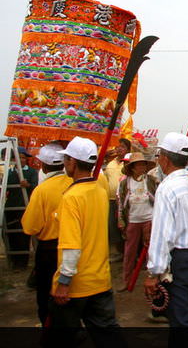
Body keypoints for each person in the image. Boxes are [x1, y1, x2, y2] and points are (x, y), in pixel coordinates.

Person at [48, 137, 122, 346]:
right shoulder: (99, 190)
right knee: (108, 335)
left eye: (66, 160)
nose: (64, 164)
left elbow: (72, 246)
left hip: (76, 285)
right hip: (100, 279)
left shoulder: (71, 197)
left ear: (72, 162)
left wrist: (64, 282)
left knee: (60, 338)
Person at [144, 133, 188, 328]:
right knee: (181, 315)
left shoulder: (167, 189)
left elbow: (161, 235)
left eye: (159, 157)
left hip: (179, 259)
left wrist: (153, 272)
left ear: (165, 159)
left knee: (182, 319)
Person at [21, 143, 72, 325]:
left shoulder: (41, 190)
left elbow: (30, 227)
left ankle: (51, 331)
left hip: (49, 250)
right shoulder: (74, 184)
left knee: (46, 295)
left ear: (43, 165)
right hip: (73, 248)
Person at [116, 152, 157, 292]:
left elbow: (157, 197)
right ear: (132, 167)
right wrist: (121, 220)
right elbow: (121, 203)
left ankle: (152, 279)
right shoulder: (124, 183)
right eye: (139, 164)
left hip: (149, 219)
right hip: (132, 220)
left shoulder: (151, 181)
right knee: (129, 252)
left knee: (151, 252)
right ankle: (126, 281)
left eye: (143, 164)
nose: (142, 167)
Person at [4, 146, 38, 269]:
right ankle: (14, 261)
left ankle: (23, 262)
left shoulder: (32, 172)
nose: (22, 160)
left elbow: (36, 188)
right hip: (11, 207)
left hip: (26, 207)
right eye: (19, 157)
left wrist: (27, 185)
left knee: (24, 235)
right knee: (12, 235)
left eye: (24, 157)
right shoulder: (9, 172)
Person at [103, 138, 131, 262]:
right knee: (111, 225)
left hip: (124, 201)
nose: (119, 149)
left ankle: (126, 252)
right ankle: (116, 251)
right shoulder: (111, 163)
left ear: (128, 149)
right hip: (110, 199)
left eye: (123, 147)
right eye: (118, 146)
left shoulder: (128, 164)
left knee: (123, 225)